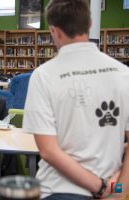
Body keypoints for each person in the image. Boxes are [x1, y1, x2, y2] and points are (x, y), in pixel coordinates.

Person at [22, 0, 129, 199]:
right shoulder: (124, 74)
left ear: (54, 31)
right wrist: (117, 191)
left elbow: (48, 151)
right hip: (111, 189)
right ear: (89, 23)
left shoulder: (44, 75)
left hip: (59, 190)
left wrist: (100, 187)